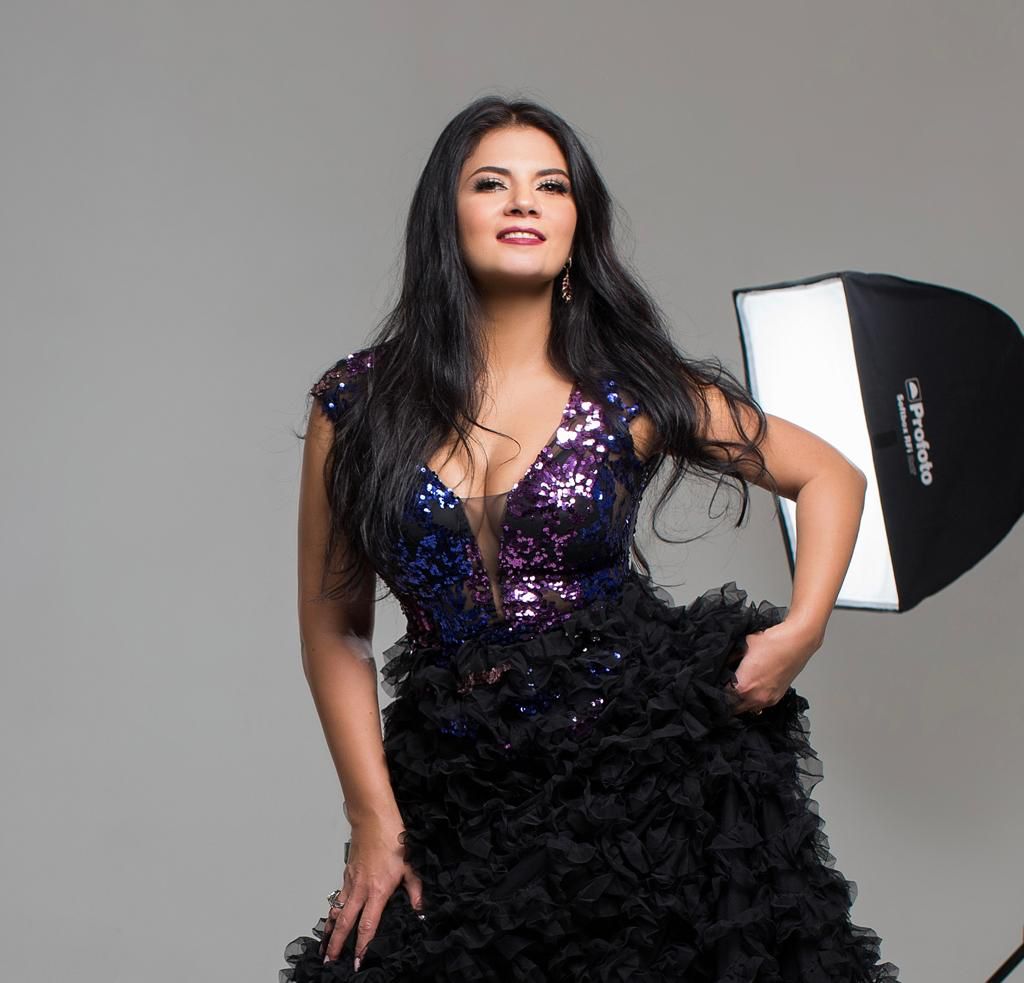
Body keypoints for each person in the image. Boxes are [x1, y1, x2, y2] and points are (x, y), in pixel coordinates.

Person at [280, 95, 901, 982]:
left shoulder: (629, 390)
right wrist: (372, 816)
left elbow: (830, 474)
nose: (523, 202)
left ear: (578, 224)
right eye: (491, 183)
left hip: (646, 785)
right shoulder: (355, 404)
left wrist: (802, 630)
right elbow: (335, 627)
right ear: (444, 218)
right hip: (459, 797)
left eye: (552, 186)